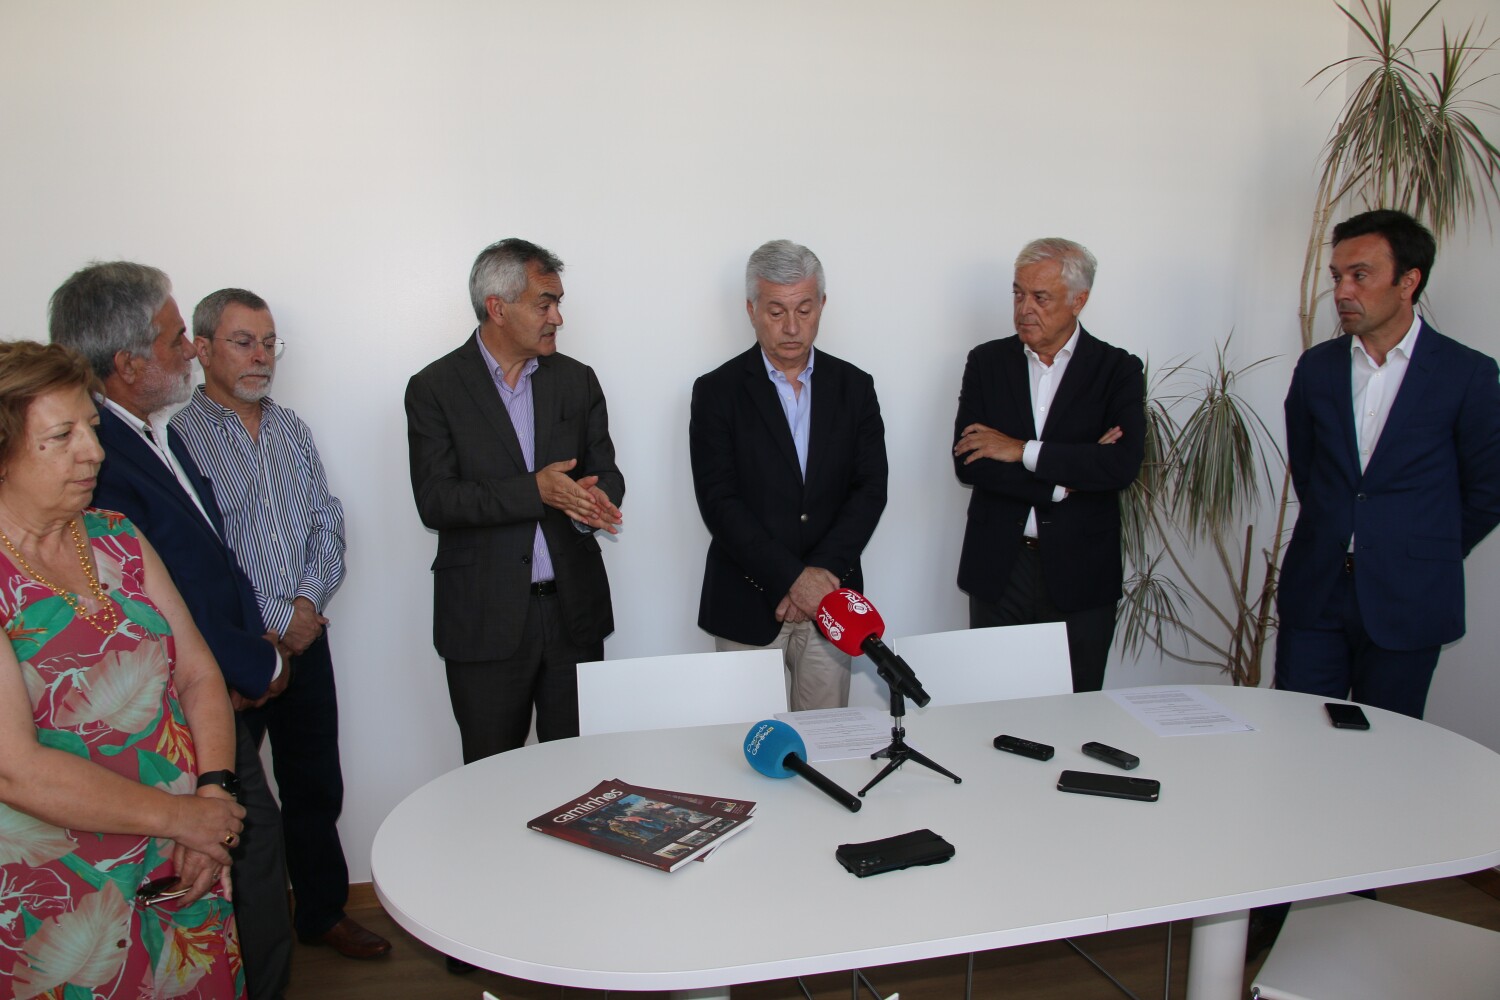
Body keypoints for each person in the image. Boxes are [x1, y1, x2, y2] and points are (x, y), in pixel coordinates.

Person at [49, 263, 294, 1000]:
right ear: (127, 363)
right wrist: (255, 666)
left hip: (208, 691)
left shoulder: (152, 436)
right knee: (242, 863)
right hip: (165, 719)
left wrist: (251, 652)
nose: (189, 349)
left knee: (248, 857)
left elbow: (214, 557)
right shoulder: (105, 462)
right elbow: (171, 597)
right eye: (176, 336)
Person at [0, 340, 246, 997]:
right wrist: (182, 819)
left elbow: (198, 673)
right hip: (64, 892)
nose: (95, 452)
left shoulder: (117, 535)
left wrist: (212, 795)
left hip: (182, 861)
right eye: (62, 436)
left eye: (92, 426)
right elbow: (14, 767)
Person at [171, 289, 389, 959]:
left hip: (305, 640)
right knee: (235, 798)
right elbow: (198, 557)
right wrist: (273, 621)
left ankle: (321, 912)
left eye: (269, 343)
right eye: (244, 342)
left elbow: (327, 521)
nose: (261, 356)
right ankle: (246, 936)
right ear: (202, 348)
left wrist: (305, 607)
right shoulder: (178, 439)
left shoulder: (292, 428)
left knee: (315, 783)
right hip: (231, 652)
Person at [406, 238, 624, 765]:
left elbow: (608, 473)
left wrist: (593, 502)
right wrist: (535, 490)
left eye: (558, 303)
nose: (558, 318)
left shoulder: (576, 380)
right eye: (544, 304)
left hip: (573, 615)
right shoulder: (434, 388)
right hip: (484, 620)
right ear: (497, 308)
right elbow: (436, 500)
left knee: (580, 775)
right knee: (491, 778)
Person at [1277, 209, 1500, 719]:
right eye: (1337, 276)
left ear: (1408, 281)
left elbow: (1488, 490)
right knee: (1296, 732)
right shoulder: (1317, 368)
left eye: (1360, 275)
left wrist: (1425, 547)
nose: (1342, 291)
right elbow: (1310, 470)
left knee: (1391, 744)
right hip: (1317, 591)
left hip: (1411, 596)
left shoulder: (1466, 373)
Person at [690, 239, 888, 711]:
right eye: (777, 312)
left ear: (822, 304)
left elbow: (870, 490)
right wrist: (793, 580)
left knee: (826, 742)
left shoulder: (855, 387)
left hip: (831, 605)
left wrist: (819, 580)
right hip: (746, 601)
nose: (793, 327)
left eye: (804, 309)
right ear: (751, 309)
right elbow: (719, 501)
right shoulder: (717, 391)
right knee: (750, 744)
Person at [952, 237, 1145, 693]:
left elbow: (1120, 465)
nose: (1024, 309)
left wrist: (1019, 450)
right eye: (1018, 294)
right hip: (1000, 567)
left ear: (1079, 300)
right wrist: (1063, 481)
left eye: (1040, 297)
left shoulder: (1117, 370)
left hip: (1082, 573)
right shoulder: (987, 362)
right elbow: (970, 463)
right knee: (993, 705)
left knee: (1075, 709)